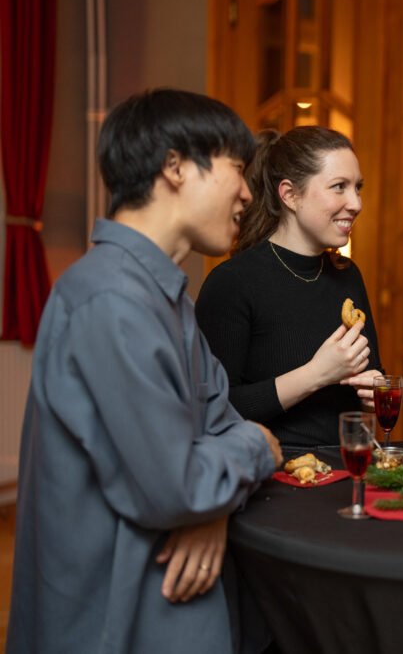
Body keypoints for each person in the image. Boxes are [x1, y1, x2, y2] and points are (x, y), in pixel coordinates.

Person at [7, 89, 284, 654]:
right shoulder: (110, 299)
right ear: (175, 166)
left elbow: (219, 426)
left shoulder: (168, 299)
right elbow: (179, 486)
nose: (247, 192)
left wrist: (213, 503)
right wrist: (256, 447)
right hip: (116, 620)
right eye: (237, 167)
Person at [196, 126, 383, 447]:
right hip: (269, 469)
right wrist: (317, 374)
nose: (355, 203)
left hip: (346, 466)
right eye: (339, 187)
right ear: (290, 195)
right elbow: (215, 409)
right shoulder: (233, 282)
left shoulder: (348, 275)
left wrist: (373, 391)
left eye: (357, 188)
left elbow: (370, 387)